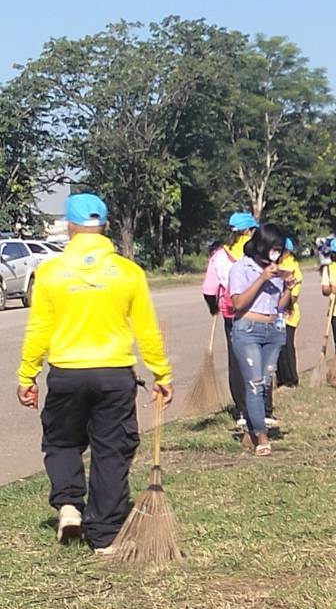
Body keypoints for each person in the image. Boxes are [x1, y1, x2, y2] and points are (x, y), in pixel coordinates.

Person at [16, 194, 173, 553]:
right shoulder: (128, 272)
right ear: (105, 227)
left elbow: (38, 329)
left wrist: (27, 376)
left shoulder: (51, 273)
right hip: (114, 373)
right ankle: (103, 537)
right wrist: (161, 373)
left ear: (70, 227)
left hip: (66, 373)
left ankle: (70, 504)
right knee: (111, 449)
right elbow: (146, 330)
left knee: (61, 441)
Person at [228, 223, 293, 456]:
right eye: (274, 248)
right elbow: (238, 304)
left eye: (280, 249)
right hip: (248, 329)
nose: (276, 253)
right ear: (262, 245)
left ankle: (251, 430)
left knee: (265, 382)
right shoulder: (241, 269)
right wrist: (262, 279)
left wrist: (288, 288)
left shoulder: (276, 269)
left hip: (273, 330)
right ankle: (262, 436)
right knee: (254, 383)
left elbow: (280, 306)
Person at [201, 211, 257, 428]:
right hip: (257, 312)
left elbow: (208, 289)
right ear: (249, 230)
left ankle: (242, 409)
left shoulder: (220, 255)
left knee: (237, 360)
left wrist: (213, 307)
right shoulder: (258, 251)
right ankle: (262, 406)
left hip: (231, 313)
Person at [275, 238, 305, 389]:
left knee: (287, 346)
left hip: (289, 314)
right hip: (275, 314)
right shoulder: (274, 266)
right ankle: (280, 378)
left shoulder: (293, 268)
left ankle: (291, 379)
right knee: (277, 347)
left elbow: (293, 296)